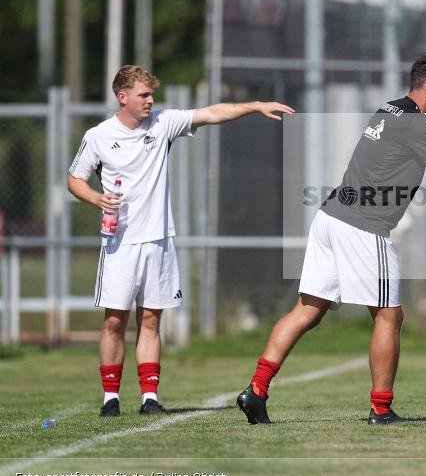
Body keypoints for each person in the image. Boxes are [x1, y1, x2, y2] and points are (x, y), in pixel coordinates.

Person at [237, 52, 426, 425]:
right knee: (389, 316)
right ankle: (381, 408)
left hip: (331, 218)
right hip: (363, 228)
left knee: (307, 311)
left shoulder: (393, 110)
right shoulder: (418, 124)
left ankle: (256, 390)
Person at [68, 65, 294, 417]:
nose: (150, 101)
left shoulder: (163, 123)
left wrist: (255, 105)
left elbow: (212, 113)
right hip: (119, 243)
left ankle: (149, 398)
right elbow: (75, 179)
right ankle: (110, 398)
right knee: (115, 321)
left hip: (159, 239)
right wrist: (97, 199)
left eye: (151, 94)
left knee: (151, 321)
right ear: (122, 96)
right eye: (143, 95)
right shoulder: (98, 135)